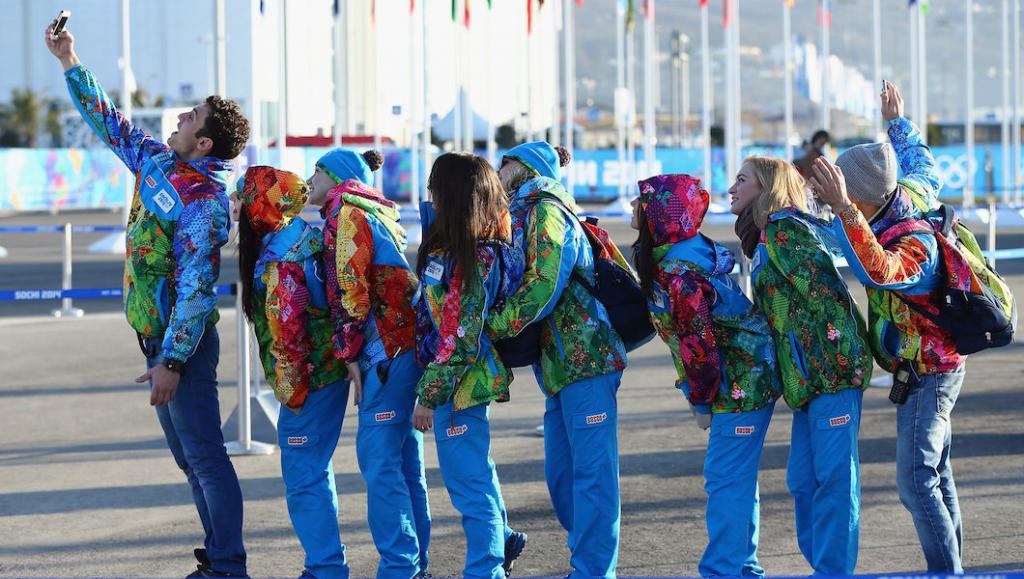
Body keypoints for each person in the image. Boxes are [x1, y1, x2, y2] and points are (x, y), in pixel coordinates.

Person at [46, 24, 250, 578]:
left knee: (206, 457)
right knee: (190, 460)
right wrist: (70, 62)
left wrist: (173, 361)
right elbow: (110, 124)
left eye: (191, 118)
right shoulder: (159, 163)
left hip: (180, 347)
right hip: (153, 341)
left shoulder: (205, 202)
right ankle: (218, 558)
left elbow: (194, 292)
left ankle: (229, 566)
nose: (180, 119)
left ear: (204, 143)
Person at [810, 81, 966, 574]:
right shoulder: (907, 194)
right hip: (934, 366)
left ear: (862, 197)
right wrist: (896, 122)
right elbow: (922, 163)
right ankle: (954, 567)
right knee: (936, 476)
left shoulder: (912, 239)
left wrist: (842, 208)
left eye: (846, 189)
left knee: (916, 481)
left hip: (929, 372)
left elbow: (880, 270)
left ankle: (948, 572)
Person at [631, 174, 781, 578]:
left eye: (640, 201)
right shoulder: (683, 255)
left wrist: (700, 401)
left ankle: (724, 570)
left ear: (661, 213)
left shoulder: (680, 274)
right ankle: (741, 568)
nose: (632, 206)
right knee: (735, 480)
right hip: (743, 376)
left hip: (739, 383)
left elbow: (698, 348)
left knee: (726, 480)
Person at [488, 142, 626, 578]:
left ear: (524, 168)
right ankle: (585, 559)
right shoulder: (524, 210)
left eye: (505, 161)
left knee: (591, 477)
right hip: (559, 364)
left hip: (586, 359)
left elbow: (544, 284)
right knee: (563, 477)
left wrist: (491, 324)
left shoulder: (546, 208)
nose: (498, 168)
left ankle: (592, 571)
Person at [730, 156, 873, 576]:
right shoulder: (769, 236)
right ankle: (825, 568)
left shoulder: (787, 230)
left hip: (830, 376)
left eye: (742, 180)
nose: (731, 188)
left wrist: (819, 359)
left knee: (832, 481)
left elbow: (830, 300)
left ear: (768, 188)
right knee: (803, 483)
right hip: (808, 381)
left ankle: (832, 572)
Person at [306, 149, 432, 578]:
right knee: (404, 461)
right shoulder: (376, 210)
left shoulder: (345, 214)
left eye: (317, 171)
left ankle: (400, 567)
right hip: (406, 345)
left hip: (384, 352)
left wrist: (347, 352)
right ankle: (415, 564)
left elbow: (350, 289)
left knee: (379, 463)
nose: (310, 179)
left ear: (335, 176)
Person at [412, 152, 526, 579]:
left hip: (461, 383)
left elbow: (461, 337)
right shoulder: (462, 245)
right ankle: (504, 541)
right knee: (476, 474)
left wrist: (429, 396)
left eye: (436, 187)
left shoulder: (473, 256)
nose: (430, 194)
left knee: (468, 485)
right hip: (461, 379)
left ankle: (486, 570)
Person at [234, 166, 350, 579]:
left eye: (242, 200)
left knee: (303, 478)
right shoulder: (306, 236)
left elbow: (288, 336)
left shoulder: (282, 259)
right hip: (329, 373)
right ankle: (325, 564)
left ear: (263, 206)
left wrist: (291, 394)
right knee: (315, 473)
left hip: (310, 381)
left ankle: (325, 569)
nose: (236, 208)